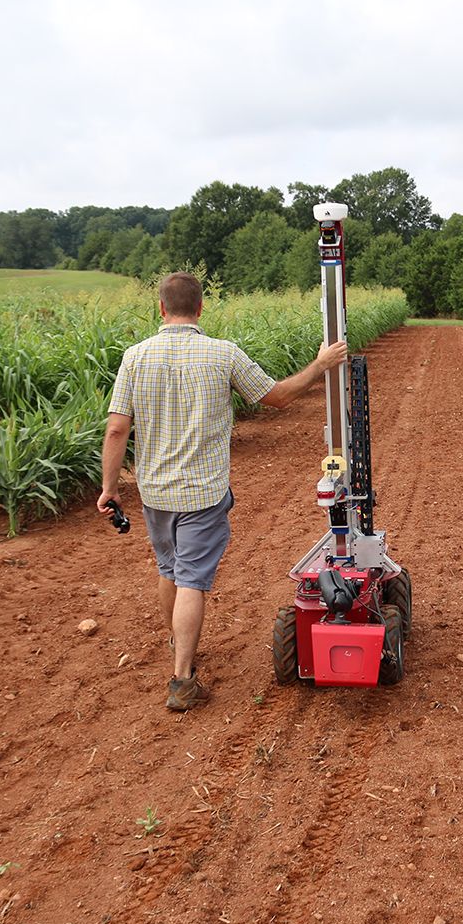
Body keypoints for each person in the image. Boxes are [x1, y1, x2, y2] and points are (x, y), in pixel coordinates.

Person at [98, 271, 347, 711]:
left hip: (155, 492)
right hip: (202, 493)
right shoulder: (222, 354)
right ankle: (181, 681)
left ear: (160, 308)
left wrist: (110, 487)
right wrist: (321, 365)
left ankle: (180, 641)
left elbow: (117, 427)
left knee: (169, 568)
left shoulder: (134, 357)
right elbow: (276, 397)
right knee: (192, 579)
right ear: (200, 308)